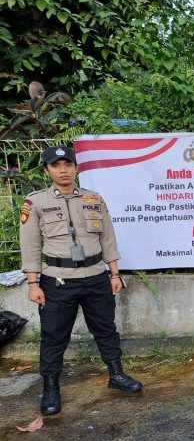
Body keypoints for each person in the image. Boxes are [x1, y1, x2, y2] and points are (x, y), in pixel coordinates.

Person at [20, 145, 142, 416]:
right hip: (57, 279)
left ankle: (116, 375)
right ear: (47, 170)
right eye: (56, 165)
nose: (63, 170)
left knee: (106, 329)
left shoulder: (93, 198)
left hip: (97, 277)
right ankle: (51, 387)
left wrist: (114, 274)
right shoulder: (35, 202)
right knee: (53, 336)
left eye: (68, 164)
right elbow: (29, 244)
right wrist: (33, 283)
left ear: (76, 167)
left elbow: (107, 238)